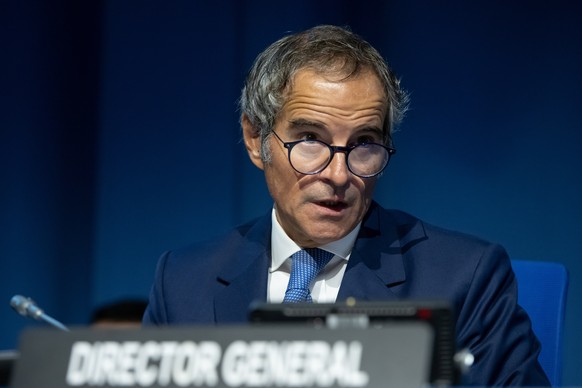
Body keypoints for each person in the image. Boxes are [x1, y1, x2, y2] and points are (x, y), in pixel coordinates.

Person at [143, 25, 549, 386]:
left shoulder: (465, 278)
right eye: (310, 140)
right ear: (255, 139)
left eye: (364, 144)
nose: (339, 175)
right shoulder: (183, 282)